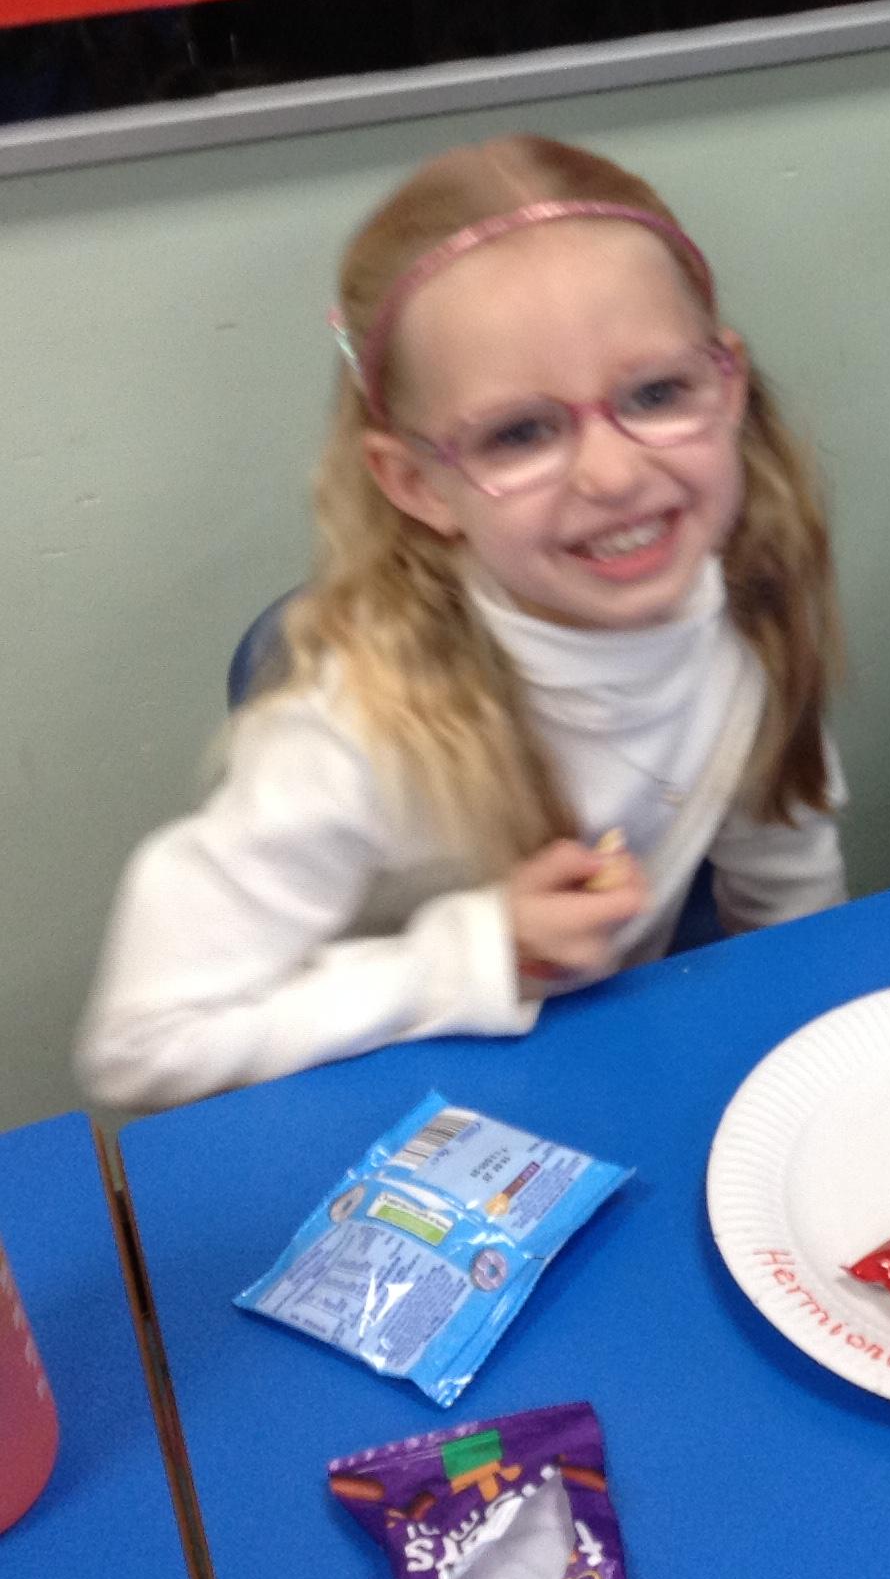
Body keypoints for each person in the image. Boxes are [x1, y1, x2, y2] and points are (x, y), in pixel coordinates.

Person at [77, 136, 845, 1108]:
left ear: (726, 385)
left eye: (656, 393)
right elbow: (144, 1042)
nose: (613, 475)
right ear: (416, 483)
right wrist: (483, 955)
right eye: (519, 433)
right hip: (391, 1130)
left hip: (615, 1084)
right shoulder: (347, 733)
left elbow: (788, 891)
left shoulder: (745, 606)